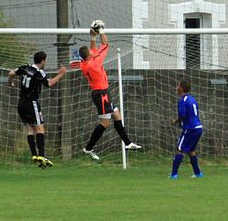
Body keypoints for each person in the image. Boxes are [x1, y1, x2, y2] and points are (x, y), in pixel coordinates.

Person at [79, 24, 142, 160]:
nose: (92, 51)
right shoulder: (95, 63)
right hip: (101, 94)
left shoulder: (84, 63)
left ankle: (127, 143)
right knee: (105, 123)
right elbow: (105, 45)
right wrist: (101, 31)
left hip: (101, 93)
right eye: (90, 52)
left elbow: (93, 51)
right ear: (89, 55)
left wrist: (93, 37)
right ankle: (88, 148)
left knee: (117, 115)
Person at [9, 51, 67, 168]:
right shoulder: (39, 72)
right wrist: (61, 74)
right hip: (32, 103)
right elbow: (49, 83)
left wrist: (10, 83)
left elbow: (11, 73)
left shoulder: (25, 68)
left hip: (21, 103)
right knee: (40, 127)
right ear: (43, 61)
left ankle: (34, 155)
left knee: (30, 129)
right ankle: (42, 155)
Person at [170, 80, 204, 179]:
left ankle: (174, 174)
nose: (176, 87)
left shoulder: (182, 100)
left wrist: (175, 121)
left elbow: (182, 115)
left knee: (179, 149)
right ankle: (198, 173)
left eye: (178, 86)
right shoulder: (192, 99)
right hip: (198, 128)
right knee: (191, 150)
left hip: (191, 129)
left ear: (181, 88)